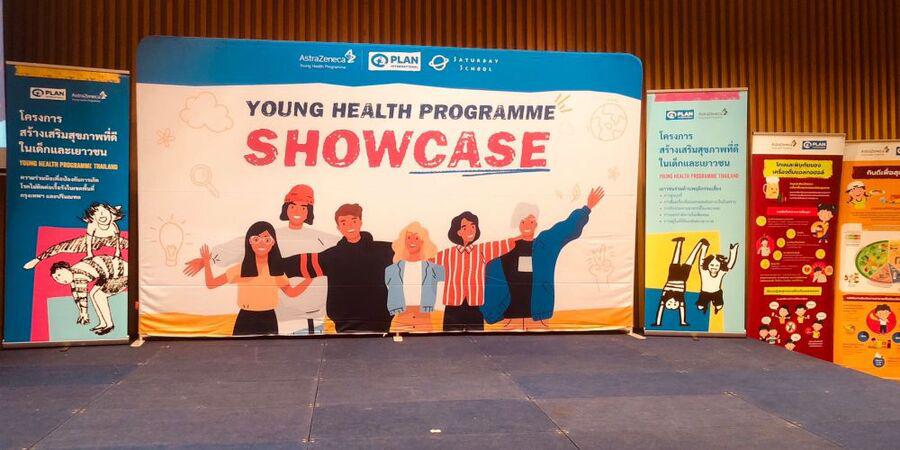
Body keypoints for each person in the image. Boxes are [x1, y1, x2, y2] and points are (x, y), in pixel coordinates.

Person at [184, 184, 338, 334]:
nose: (297, 211)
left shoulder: (320, 239)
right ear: (286, 208)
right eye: (293, 206)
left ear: (309, 211)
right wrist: (205, 261)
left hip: (311, 316)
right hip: (278, 316)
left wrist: (310, 277)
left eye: (303, 207)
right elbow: (236, 247)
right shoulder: (271, 236)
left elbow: (343, 249)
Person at [481, 187, 606, 328]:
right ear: (518, 223)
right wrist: (492, 312)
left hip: (538, 319)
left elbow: (566, 227)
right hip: (508, 320)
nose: (527, 225)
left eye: (531, 221)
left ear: (536, 224)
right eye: (523, 221)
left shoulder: (545, 244)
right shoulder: (505, 248)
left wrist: (587, 208)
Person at [289, 204, 394, 333]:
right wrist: (277, 264)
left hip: (379, 323)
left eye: (353, 221)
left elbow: (407, 249)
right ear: (338, 227)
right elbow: (299, 264)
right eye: (344, 223)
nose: (349, 226)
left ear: (360, 222)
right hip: (344, 326)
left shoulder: (381, 250)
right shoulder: (333, 256)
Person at [199, 221, 313, 336]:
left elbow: (291, 292)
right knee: (241, 348)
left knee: (269, 348)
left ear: (273, 243)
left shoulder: (275, 270)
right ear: (249, 242)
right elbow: (211, 284)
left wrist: (309, 279)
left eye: (267, 240)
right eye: (256, 239)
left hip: (269, 319)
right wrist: (206, 262)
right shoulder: (240, 269)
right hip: (245, 319)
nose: (261, 244)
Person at [433, 212, 520, 332]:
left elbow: (502, 245)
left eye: (473, 226)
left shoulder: (482, 250)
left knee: (477, 337)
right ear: (458, 232)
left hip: (475, 304)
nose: (470, 230)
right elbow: (429, 257)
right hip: (453, 304)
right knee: (450, 337)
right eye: (465, 227)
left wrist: (521, 237)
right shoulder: (448, 253)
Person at [24, 203, 128, 270]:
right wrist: (89, 254)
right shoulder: (92, 225)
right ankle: (38, 259)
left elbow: (117, 240)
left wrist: (117, 253)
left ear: (111, 214)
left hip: (110, 240)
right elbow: (88, 240)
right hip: (93, 241)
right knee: (62, 246)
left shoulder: (113, 226)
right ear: (93, 217)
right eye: (97, 213)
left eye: (104, 212)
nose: (101, 215)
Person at [385, 222, 445, 333]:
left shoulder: (436, 270)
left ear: (423, 242)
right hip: (399, 325)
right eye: (408, 237)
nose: (412, 241)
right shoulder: (391, 270)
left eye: (417, 238)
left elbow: (440, 303)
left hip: (425, 324)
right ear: (403, 241)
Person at [49, 255, 128, 335]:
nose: (60, 279)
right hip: (107, 275)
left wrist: (84, 313)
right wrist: (82, 312)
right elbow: (76, 296)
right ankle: (103, 323)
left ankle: (109, 325)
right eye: (56, 278)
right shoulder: (73, 275)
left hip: (122, 274)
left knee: (99, 296)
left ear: (66, 269)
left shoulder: (79, 276)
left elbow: (82, 296)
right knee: (93, 294)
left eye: (59, 275)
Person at [650, 237, 704, 327]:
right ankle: (699, 244)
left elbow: (660, 310)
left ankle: (679, 242)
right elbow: (682, 310)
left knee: (676, 260)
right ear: (679, 304)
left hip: (672, 277)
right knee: (689, 261)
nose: (672, 302)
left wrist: (658, 323)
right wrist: (682, 322)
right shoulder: (680, 299)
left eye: (669, 304)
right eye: (675, 304)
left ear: (665, 303)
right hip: (682, 278)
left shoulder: (664, 297)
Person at [695, 240, 739, 314]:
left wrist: (733, 251)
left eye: (717, 265)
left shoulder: (720, 272)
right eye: (712, 265)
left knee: (719, 307)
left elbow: (730, 265)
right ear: (708, 265)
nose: (714, 267)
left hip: (717, 293)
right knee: (700, 307)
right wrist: (704, 247)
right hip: (705, 293)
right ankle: (705, 307)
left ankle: (716, 308)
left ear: (720, 266)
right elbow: (701, 261)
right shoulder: (704, 272)